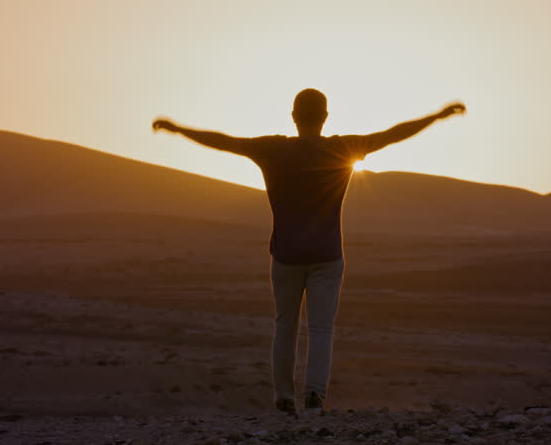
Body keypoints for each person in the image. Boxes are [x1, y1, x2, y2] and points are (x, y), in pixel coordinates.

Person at [152, 89, 466, 415]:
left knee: (285, 326)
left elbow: (224, 142)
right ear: (325, 117)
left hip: (286, 255)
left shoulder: (271, 149)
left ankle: (283, 397)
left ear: (293, 116)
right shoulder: (341, 149)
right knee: (321, 329)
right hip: (327, 256)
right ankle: (315, 396)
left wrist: (179, 130)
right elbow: (392, 135)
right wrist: (436, 117)